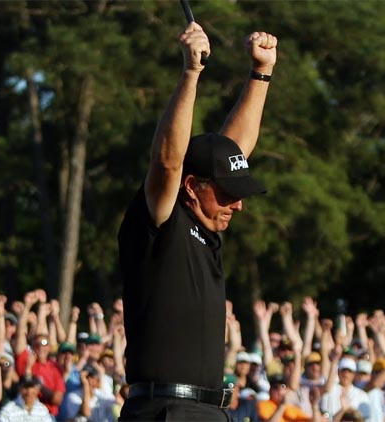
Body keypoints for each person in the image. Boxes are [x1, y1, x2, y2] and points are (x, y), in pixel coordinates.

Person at [117, 19, 277, 421]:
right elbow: (168, 161)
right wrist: (191, 73)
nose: (236, 205)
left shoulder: (209, 225)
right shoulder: (162, 219)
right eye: (226, 194)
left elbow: (234, 150)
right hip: (164, 409)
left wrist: (261, 73)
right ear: (191, 187)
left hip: (209, 411)